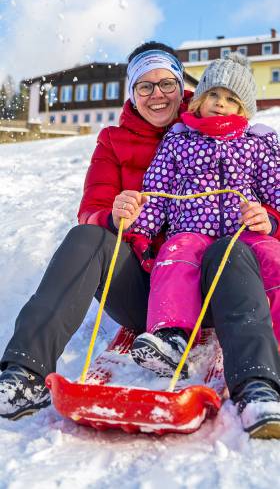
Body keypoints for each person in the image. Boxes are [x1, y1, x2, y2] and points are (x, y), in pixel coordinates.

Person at [0, 44, 278, 438]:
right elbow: (92, 210)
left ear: (182, 86)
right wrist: (114, 216)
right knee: (86, 238)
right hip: (147, 289)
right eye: (144, 87)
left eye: (166, 83)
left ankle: (259, 380)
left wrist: (265, 219)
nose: (156, 94)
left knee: (227, 249)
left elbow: (271, 197)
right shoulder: (113, 141)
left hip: (221, 283)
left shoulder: (228, 127)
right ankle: (24, 372)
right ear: (131, 93)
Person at [125, 52, 280, 437]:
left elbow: (276, 192)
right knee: (177, 256)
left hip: (246, 234)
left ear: (244, 108)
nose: (221, 104)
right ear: (199, 99)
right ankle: (171, 336)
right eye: (214, 95)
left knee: (272, 257)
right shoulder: (179, 140)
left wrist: (270, 219)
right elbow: (158, 192)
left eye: (231, 99)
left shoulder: (259, 142)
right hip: (192, 228)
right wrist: (141, 231)